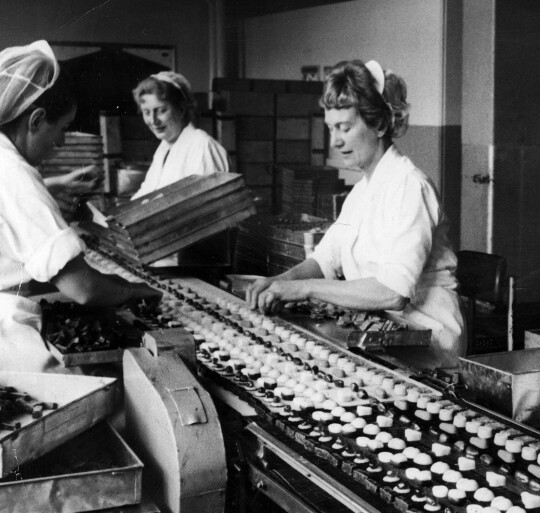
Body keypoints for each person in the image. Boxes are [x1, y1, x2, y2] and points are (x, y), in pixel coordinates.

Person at [247, 60, 464, 368]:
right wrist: (278, 282)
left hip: (426, 353)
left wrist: (302, 288)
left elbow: (392, 292)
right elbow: (325, 259)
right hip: (381, 339)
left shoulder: (409, 187)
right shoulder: (362, 190)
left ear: (378, 124)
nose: (335, 141)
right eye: (331, 129)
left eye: (345, 128)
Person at [0, 40, 160, 372]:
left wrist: (53, 185)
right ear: (36, 119)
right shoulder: (16, 174)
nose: (59, 143)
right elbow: (84, 289)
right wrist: (130, 290)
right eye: (60, 130)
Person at [130, 71, 228, 199]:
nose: (153, 120)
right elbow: (146, 193)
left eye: (161, 110)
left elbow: (206, 206)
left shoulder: (201, 145)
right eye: (146, 112)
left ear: (181, 109)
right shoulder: (164, 148)